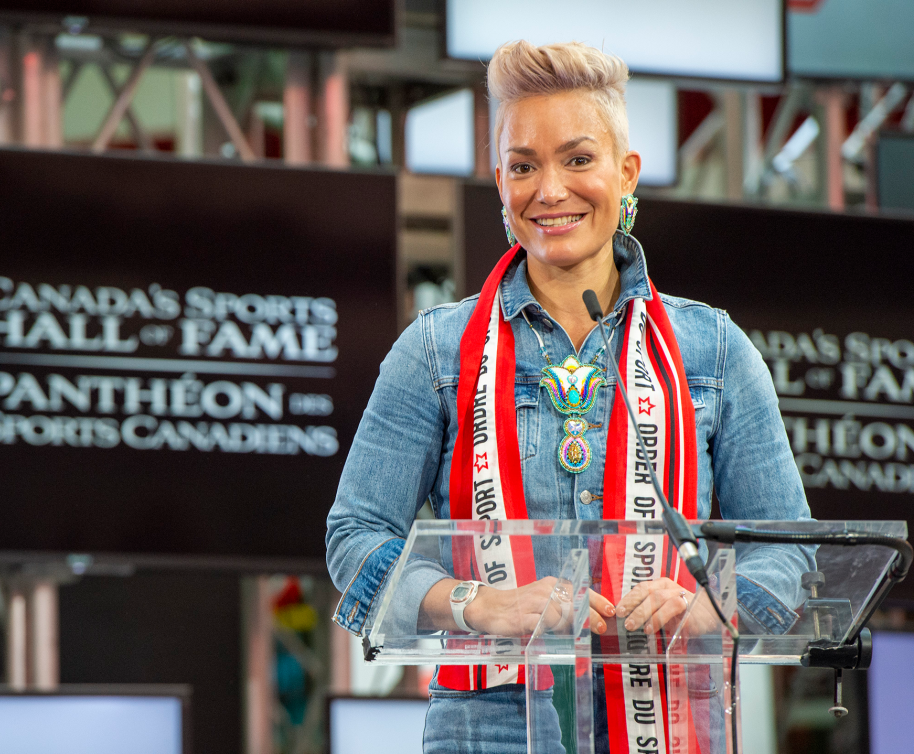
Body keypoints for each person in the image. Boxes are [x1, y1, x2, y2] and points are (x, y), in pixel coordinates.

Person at [326, 40, 812, 754]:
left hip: (672, 718)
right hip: (485, 727)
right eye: (523, 166)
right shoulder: (433, 351)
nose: (548, 190)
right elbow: (355, 541)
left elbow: (789, 552)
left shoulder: (711, 348)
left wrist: (708, 606)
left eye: (577, 159)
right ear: (499, 181)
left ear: (626, 172)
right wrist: (478, 603)